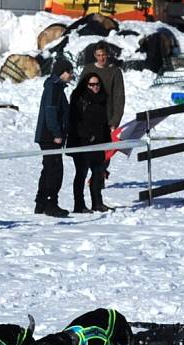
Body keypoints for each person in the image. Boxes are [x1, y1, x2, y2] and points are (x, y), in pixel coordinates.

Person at [34, 57, 73, 218]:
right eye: (69, 72)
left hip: (48, 136)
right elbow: (51, 112)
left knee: (48, 168)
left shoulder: (55, 87)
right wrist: (57, 133)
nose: (71, 75)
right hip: (50, 137)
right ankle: (51, 203)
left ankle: (41, 202)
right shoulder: (53, 88)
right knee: (55, 170)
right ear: (62, 72)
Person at [68, 72, 111, 213]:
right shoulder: (79, 98)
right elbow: (75, 122)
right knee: (81, 173)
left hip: (98, 142)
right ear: (86, 85)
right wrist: (87, 136)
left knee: (98, 172)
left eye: (97, 84)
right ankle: (79, 205)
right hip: (81, 142)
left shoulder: (102, 98)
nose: (95, 87)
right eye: (91, 84)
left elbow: (104, 122)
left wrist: (107, 139)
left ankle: (97, 203)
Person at [80, 41, 125, 134]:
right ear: (94, 55)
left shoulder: (115, 72)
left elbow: (119, 99)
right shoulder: (88, 70)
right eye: (98, 55)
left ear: (108, 54)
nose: (101, 58)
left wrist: (114, 123)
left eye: (103, 55)